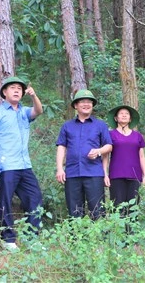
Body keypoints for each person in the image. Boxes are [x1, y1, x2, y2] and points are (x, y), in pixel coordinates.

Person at [0, 76, 43, 250]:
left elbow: (38, 111)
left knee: (35, 198)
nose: (17, 90)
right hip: (6, 164)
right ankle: (8, 239)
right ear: (4, 92)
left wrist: (33, 96)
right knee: (4, 201)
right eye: (12, 88)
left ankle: (31, 238)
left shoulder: (24, 112)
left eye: (19, 88)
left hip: (24, 165)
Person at [56, 89, 112, 220]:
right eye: (82, 101)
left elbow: (109, 146)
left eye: (89, 102)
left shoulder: (100, 125)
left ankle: (99, 238)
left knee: (98, 210)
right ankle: (75, 239)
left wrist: (98, 151)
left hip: (94, 173)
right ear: (76, 105)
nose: (86, 104)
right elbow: (61, 147)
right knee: (74, 211)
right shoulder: (67, 126)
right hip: (72, 173)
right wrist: (59, 168)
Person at [106, 105, 145, 219]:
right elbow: (105, 156)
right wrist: (105, 174)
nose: (124, 115)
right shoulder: (110, 134)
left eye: (127, 114)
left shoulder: (137, 136)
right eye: (121, 113)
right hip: (116, 175)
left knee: (133, 207)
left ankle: (131, 234)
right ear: (115, 118)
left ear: (130, 119)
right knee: (117, 206)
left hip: (134, 176)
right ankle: (118, 234)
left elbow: (142, 156)